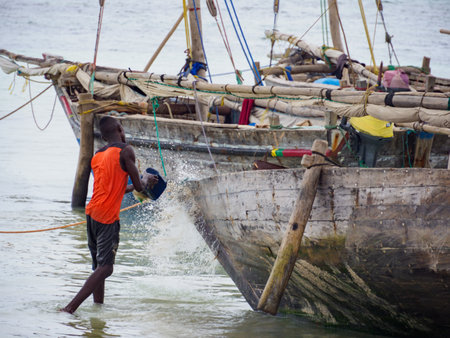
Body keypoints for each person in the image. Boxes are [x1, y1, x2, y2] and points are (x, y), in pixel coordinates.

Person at [61, 115, 157, 314]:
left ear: (104, 137)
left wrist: (140, 182)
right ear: (120, 129)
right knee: (106, 268)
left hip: (91, 212)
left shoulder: (98, 155)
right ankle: (70, 308)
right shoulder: (126, 150)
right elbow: (139, 187)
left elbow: (118, 188)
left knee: (98, 267)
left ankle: (98, 309)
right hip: (106, 217)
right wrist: (146, 179)